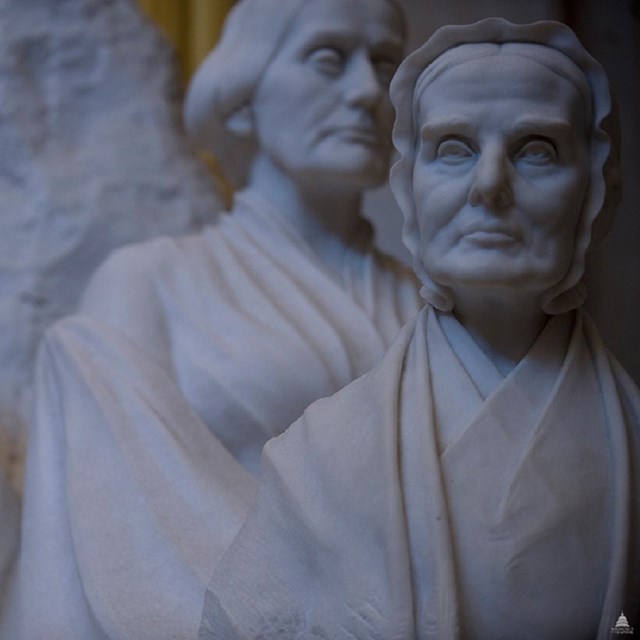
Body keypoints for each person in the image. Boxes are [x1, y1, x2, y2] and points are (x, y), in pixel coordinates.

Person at [200, 19, 640, 640]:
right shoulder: (321, 459)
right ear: (410, 192)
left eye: (536, 149)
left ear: (597, 194)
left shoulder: (631, 440)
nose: (490, 186)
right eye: (453, 149)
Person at [2, 1, 420, 638]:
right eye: (327, 58)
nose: (366, 90)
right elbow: (97, 530)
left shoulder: (426, 302)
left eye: (385, 63)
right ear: (244, 94)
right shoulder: (152, 282)